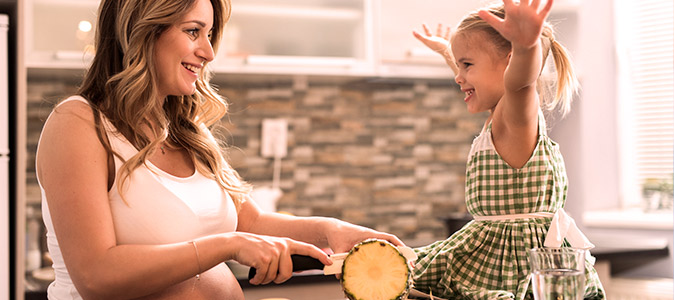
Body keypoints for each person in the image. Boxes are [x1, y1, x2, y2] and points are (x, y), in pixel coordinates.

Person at [35, 0, 402, 299]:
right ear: (142, 31)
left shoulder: (186, 130)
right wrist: (228, 246)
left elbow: (252, 222)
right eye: (193, 31)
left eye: (209, 35)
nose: (208, 52)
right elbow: (97, 277)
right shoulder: (80, 123)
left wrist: (331, 230)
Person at [411, 0, 606, 299]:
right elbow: (495, 75)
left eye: (467, 65)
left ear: (511, 61)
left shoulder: (515, 116)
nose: (457, 76)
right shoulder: (500, 116)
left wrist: (527, 47)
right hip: (498, 251)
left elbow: (519, 83)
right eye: (459, 65)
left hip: (517, 265)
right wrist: (447, 52)